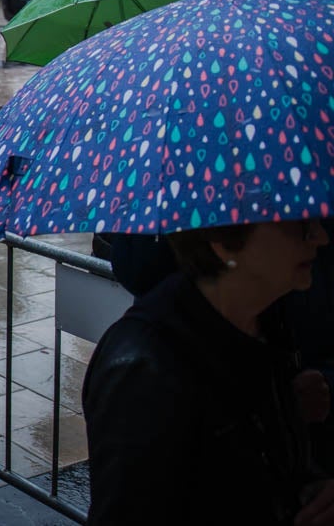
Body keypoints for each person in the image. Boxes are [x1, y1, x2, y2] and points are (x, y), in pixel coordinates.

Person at [83, 218, 334, 525]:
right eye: (301, 226)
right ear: (223, 239)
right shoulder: (147, 369)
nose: (320, 237)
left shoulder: (263, 323)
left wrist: (311, 492)